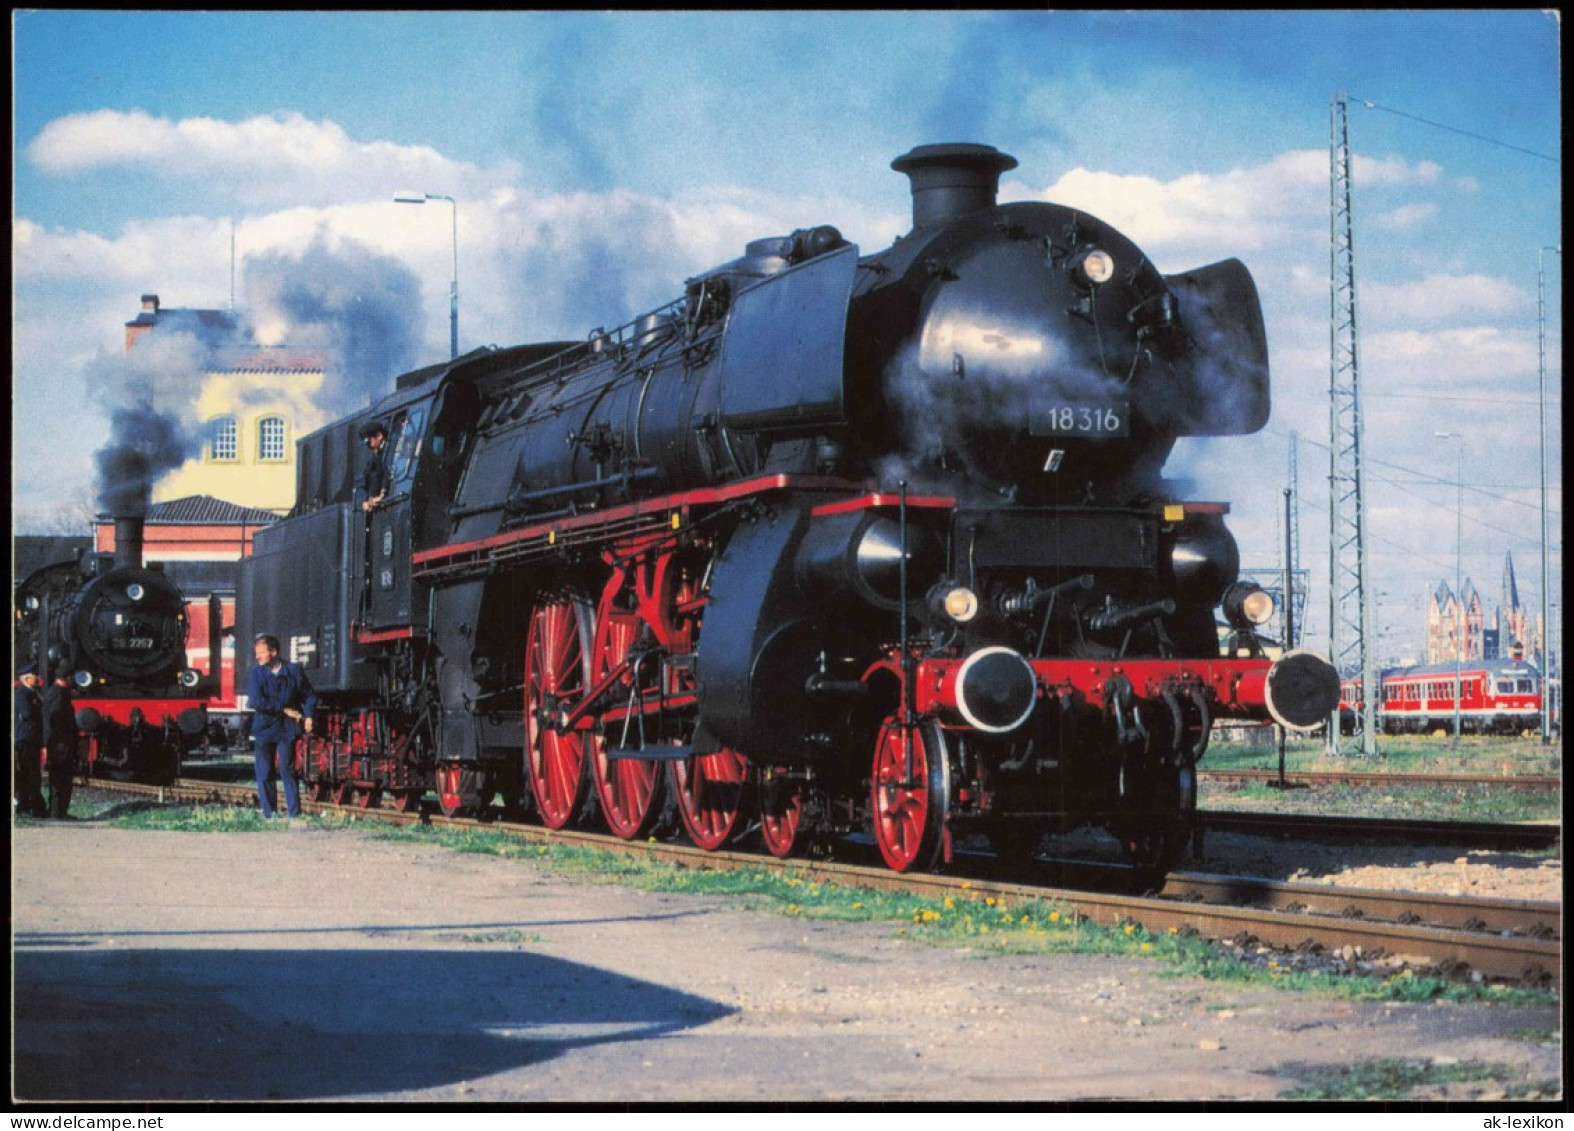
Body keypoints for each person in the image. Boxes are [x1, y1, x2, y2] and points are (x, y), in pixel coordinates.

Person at [247, 634, 316, 818]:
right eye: (257, 653)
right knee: (265, 771)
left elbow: (309, 695)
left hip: (286, 730)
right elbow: (256, 701)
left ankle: (294, 814)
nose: (258, 656)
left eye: (261, 652)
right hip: (264, 728)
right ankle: (270, 814)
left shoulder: (294, 671)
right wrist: (284, 710)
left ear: (274, 652)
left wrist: (309, 715)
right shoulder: (256, 673)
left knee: (287, 769)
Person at [41, 670, 79, 819]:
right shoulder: (58, 694)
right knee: (60, 777)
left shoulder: (56, 692)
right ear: (67, 678)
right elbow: (52, 718)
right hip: (60, 743)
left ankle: (59, 811)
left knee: (61, 777)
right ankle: (57, 812)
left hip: (60, 742)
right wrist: (48, 742)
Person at [13, 664, 47, 818]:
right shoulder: (21, 694)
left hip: (32, 739)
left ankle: (33, 806)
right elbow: (26, 714)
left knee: (33, 774)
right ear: (26, 678)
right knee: (27, 773)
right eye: (34, 675)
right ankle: (25, 806)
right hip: (25, 739)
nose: (37, 678)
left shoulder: (32, 693)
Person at [357, 420, 390, 511]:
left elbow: (387, 472)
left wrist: (382, 495)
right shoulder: (376, 456)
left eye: (369, 442)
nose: (368, 446)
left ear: (379, 436)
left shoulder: (389, 453)